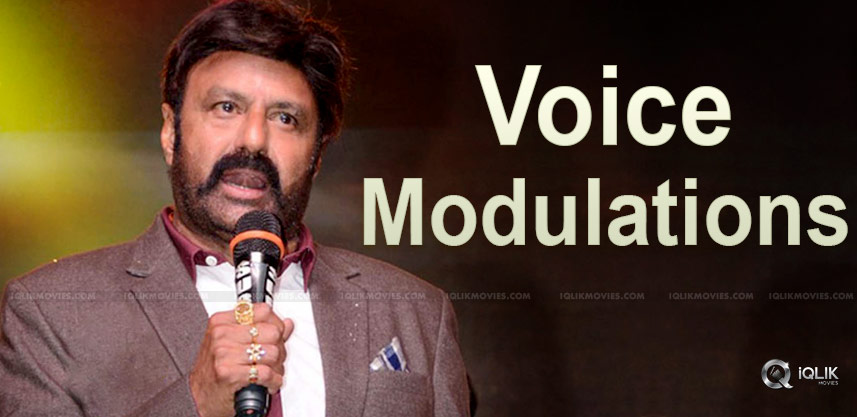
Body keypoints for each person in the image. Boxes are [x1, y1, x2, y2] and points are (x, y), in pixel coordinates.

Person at [0, 1, 470, 416]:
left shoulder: (417, 312)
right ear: (170, 131)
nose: (253, 139)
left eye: (285, 118)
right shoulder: (49, 310)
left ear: (318, 154)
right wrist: (197, 402)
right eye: (226, 107)